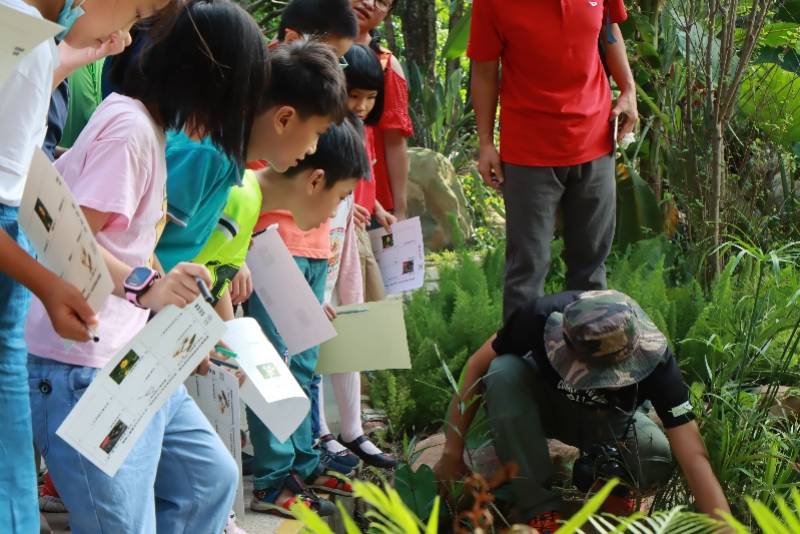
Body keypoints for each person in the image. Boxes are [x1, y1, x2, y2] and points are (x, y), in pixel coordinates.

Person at [24, 2, 270, 532]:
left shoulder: (148, 130)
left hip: (126, 360)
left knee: (210, 479)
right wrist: (148, 287)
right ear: (205, 79)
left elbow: (123, 237)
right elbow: (68, 236)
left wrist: (168, 286)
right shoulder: (131, 130)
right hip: (78, 368)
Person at [0, 0, 163, 529]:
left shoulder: (28, 36)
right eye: (138, 10)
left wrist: (71, 54)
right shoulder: (22, 38)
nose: (130, 30)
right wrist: (47, 284)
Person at [433, 290, 731, 533]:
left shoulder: (656, 359)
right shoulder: (538, 317)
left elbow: (692, 455)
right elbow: (476, 365)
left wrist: (725, 528)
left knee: (656, 455)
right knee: (502, 370)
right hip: (541, 408)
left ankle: (606, 483)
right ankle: (539, 507)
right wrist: (451, 451)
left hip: (609, 422)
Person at [155, 0, 358, 275]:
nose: (312, 149)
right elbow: (137, 244)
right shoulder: (206, 154)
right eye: (316, 134)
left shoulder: (225, 161)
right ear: (284, 118)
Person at [468, 0, 639, 321]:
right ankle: (522, 365)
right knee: (526, 271)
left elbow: (609, 29)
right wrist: (486, 143)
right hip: (528, 150)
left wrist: (628, 90)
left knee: (590, 270)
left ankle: (587, 363)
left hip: (596, 140)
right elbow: (484, 69)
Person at [244, 119, 370, 518]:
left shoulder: (330, 141)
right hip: (276, 245)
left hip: (314, 250)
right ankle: (273, 477)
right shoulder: (277, 155)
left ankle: (300, 460)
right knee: (272, 364)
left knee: (302, 362)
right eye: (340, 198)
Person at [315, 43, 396, 469]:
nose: (362, 106)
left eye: (370, 98)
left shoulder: (358, 131)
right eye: (355, 95)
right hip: (317, 236)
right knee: (314, 330)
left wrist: (365, 204)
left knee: (350, 323)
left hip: (347, 234)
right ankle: (321, 432)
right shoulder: (319, 129)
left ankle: (352, 428)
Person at [350, 0, 413, 219]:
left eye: (383, 2)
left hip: (371, 206)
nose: (368, 3)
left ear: (387, 13)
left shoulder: (386, 65)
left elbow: (394, 142)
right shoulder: (304, 48)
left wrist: (400, 209)